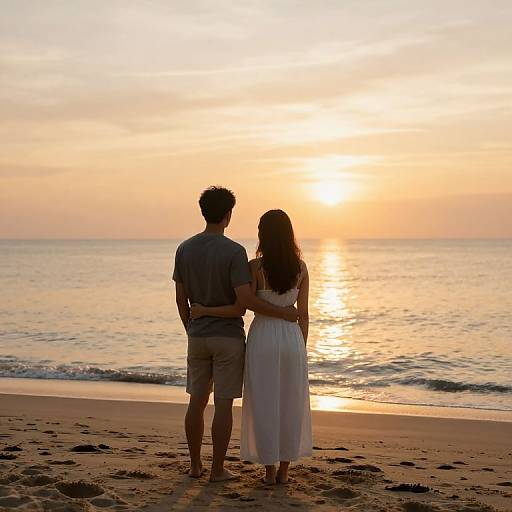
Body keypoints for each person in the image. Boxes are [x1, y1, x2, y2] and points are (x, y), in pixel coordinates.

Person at [172, 187, 298, 483]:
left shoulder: (184, 249)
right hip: (228, 338)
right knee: (224, 404)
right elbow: (244, 303)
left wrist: (190, 326)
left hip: (197, 336)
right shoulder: (234, 252)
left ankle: (194, 466)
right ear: (228, 215)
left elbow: (180, 299)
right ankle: (217, 469)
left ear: (203, 212)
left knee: (196, 401)